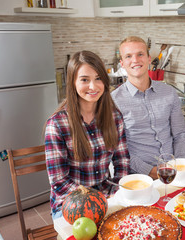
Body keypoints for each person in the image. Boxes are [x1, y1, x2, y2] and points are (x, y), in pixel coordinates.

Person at [45, 50, 130, 219]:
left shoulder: (114, 117)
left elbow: (122, 161)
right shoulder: (57, 124)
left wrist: (118, 192)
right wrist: (98, 200)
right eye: (85, 80)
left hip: (108, 194)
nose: (93, 86)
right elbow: (59, 181)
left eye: (98, 78)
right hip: (70, 202)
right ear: (72, 82)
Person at [111, 36, 185, 180]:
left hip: (174, 173)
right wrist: (152, 172)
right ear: (122, 63)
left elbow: (180, 135)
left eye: (140, 54)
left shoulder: (169, 92)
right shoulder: (113, 101)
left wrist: (181, 165)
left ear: (148, 58)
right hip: (138, 178)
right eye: (128, 56)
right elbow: (118, 150)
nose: (135, 60)